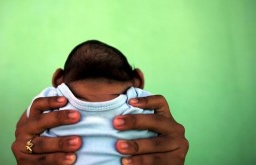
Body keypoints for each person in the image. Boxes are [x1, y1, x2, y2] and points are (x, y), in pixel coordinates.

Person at [11, 41, 189, 165]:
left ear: (59, 79)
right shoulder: (143, 101)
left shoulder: (49, 98)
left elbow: (24, 130)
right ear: (138, 80)